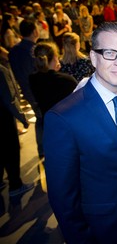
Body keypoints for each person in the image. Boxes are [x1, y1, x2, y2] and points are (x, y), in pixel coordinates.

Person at [43, 21, 117, 243]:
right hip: (102, 230)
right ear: (93, 57)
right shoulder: (63, 117)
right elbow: (63, 198)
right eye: (110, 53)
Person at [9, 19, 44, 159]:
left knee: (40, 119)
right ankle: (44, 148)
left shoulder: (14, 50)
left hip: (24, 90)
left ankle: (42, 149)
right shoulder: (34, 50)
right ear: (34, 31)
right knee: (44, 119)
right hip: (38, 90)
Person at [0, 59, 34, 197]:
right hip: (3, 118)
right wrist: (22, 118)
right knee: (11, 151)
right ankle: (15, 185)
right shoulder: (1, 70)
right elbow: (10, 98)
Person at [29, 41, 77, 118]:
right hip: (66, 123)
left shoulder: (32, 78)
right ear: (55, 57)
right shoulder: (67, 80)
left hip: (47, 121)